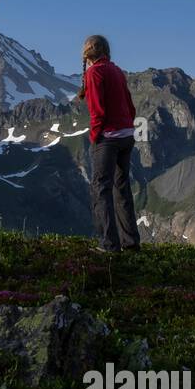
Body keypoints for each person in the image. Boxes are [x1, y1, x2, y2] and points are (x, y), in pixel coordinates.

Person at [77, 34, 141, 253]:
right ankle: (131, 243)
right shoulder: (116, 70)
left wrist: (95, 137)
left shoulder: (94, 73)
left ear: (87, 54)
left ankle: (109, 244)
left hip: (108, 139)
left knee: (100, 189)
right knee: (121, 189)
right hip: (126, 136)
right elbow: (130, 105)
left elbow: (97, 111)